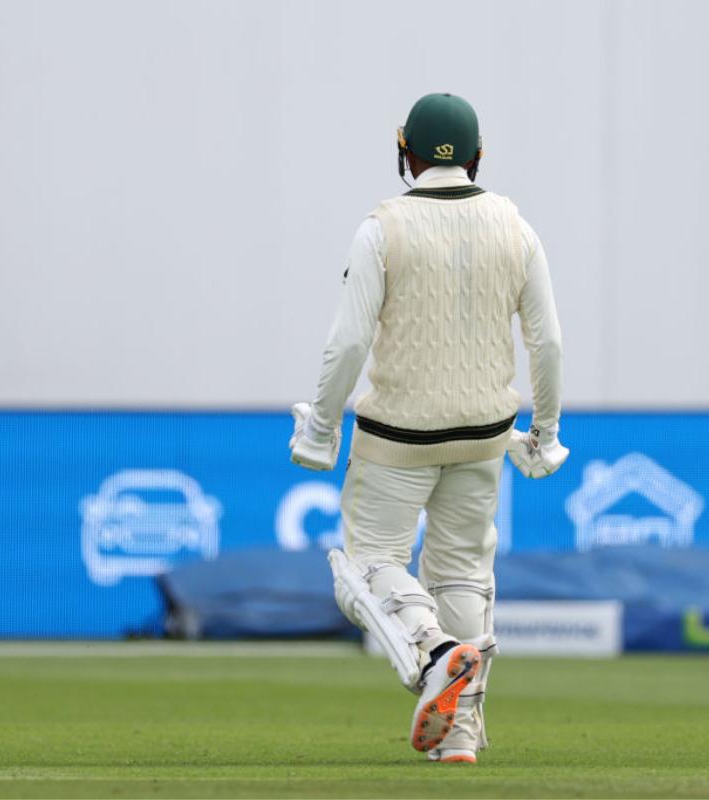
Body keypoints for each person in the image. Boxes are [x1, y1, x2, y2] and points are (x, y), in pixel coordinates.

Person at [289, 92, 566, 764]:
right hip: (484, 433)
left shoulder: (381, 228)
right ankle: (461, 734)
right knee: (463, 575)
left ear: (404, 153)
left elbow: (349, 342)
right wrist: (545, 433)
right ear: (477, 155)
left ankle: (434, 653)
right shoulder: (516, 227)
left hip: (398, 436)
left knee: (364, 566)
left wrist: (322, 428)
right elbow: (548, 343)